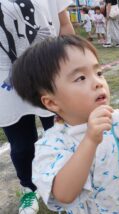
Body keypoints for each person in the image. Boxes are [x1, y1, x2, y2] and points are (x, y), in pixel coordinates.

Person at [11, 35, 119, 213]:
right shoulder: (52, 146)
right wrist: (90, 140)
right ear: (51, 103)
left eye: (99, 73)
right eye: (81, 78)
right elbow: (64, 194)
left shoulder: (116, 119)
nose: (98, 83)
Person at [0, 0, 74, 213]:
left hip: (48, 75)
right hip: (6, 83)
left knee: (62, 134)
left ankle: (66, 183)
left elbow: (64, 25)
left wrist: (72, 63)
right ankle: (29, 189)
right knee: (22, 146)